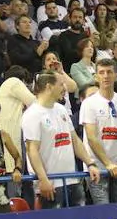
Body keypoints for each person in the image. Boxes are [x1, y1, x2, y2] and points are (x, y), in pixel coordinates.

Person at [21, 69, 102, 209]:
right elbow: (32, 150)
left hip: (72, 180)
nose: (64, 88)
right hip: (51, 184)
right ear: (49, 86)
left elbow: (75, 140)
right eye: (61, 84)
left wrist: (90, 163)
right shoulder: (32, 114)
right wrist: (43, 179)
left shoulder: (61, 110)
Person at [80, 58, 117, 204]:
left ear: (116, 75)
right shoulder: (89, 103)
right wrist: (107, 164)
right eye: (101, 72)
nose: (106, 76)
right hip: (98, 169)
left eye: (109, 72)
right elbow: (91, 137)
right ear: (96, 77)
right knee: (103, 211)